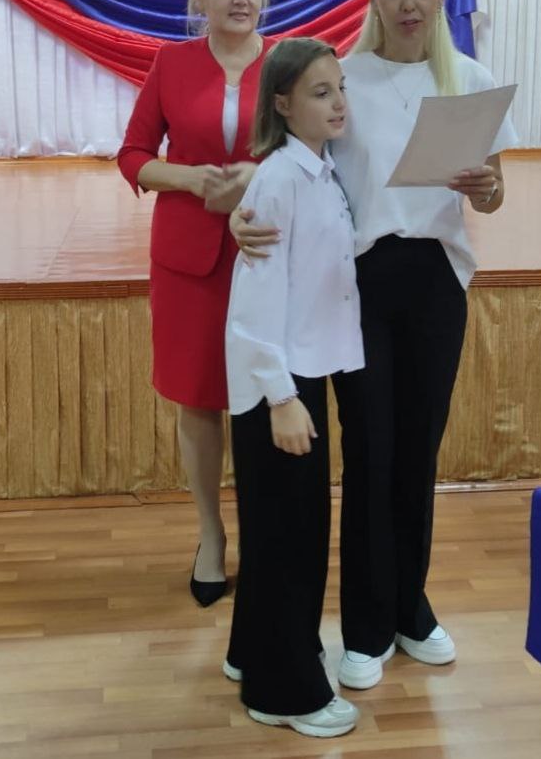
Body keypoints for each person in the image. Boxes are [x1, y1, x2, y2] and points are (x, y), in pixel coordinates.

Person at [231, 0, 518, 689]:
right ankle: (363, 623)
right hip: (359, 286)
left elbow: (492, 191)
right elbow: (286, 170)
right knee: (371, 452)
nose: (409, 2)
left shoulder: (470, 81)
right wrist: (240, 217)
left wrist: (489, 189)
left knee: (418, 452)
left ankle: (409, 608)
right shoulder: (344, 80)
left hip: (436, 283)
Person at [117, 0, 274, 606]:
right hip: (191, 261)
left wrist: (258, 178)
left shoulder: (290, 62)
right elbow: (132, 155)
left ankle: (268, 538)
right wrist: (189, 177)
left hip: (269, 250)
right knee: (200, 400)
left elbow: (319, 150)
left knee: (268, 398)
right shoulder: (171, 63)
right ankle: (211, 535)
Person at [224, 37, 364, 737]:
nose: (338, 103)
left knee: (284, 532)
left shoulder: (319, 171)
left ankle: (254, 651)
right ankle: (283, 693)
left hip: (300, 374)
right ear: (282, 103)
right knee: (291, 539)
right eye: (320, 92)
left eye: (340, 88)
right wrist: (281, 397)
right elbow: (254, 304)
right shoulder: (279, 180)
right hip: (277, 388)